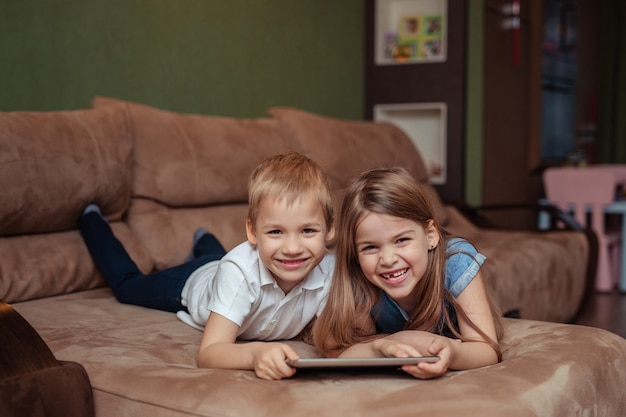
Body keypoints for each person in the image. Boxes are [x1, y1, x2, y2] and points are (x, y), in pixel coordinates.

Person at [79, 151, 335, 380]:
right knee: (127, 286)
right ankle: (92, 223)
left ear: (330, 230)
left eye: (308, 231)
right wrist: (256, 354)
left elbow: (335, 339)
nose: (292, 248)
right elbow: (210, 353)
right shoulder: (238, 272)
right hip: (193, 281)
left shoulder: (331, 272)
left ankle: (204, 240)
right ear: (253, 232)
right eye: (276, 231)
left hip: (221, 266)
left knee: (217, 258)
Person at [312, 166, 503, 379]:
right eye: (370, 247)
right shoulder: (358, 277)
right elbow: (339, 353)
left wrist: (453, 352)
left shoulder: (455, 262)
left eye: (401, 240)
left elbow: (486, 350)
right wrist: (381, 347)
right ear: (355, 254)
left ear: (430, 235)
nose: (388, 259)